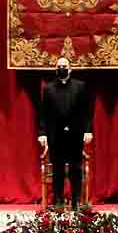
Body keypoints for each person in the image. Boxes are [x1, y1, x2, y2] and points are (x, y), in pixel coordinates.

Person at [38, 57, 93, 209]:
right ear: (56, 69)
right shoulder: (48, 88)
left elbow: (86, 111)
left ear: (70, 68)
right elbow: (43, 113)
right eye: (59, 66)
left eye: (65, 65)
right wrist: (42, 133)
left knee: (76, 169)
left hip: (75, 134)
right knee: (58, 170)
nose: (62, 68)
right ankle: (59, 202)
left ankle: (75, 202)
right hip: (56, 135)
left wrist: (88, 130)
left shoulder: (80, 86)